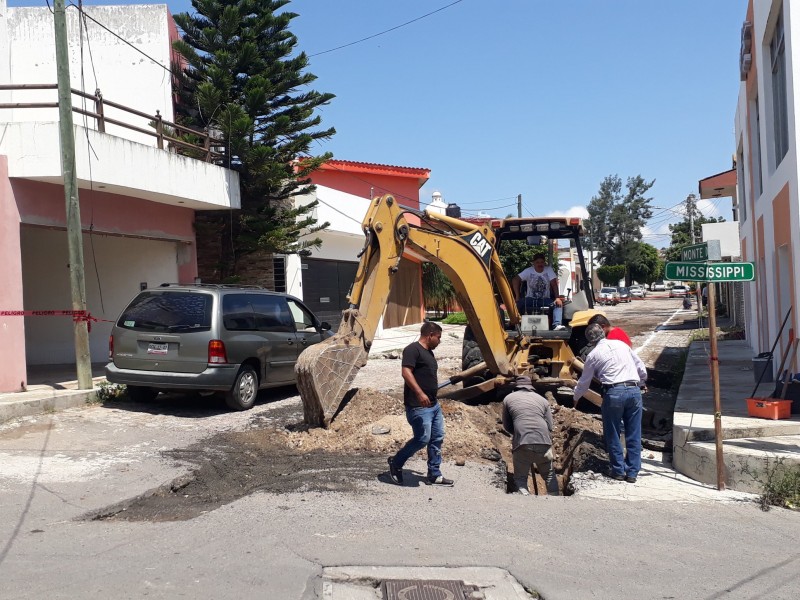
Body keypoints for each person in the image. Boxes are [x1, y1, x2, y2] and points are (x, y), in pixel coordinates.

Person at [573, 323, 648, 483]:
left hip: (613, 393)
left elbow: (584, 382)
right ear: (603, 333)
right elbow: (641, 367)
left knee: (613, 432)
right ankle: (633, 472)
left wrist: (576, 397)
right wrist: (641, 383)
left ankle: (618, 470)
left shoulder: (593, 355)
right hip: (634, 391)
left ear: (590, 341)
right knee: (634, 433)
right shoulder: (621, 345)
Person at [387, 321, 454, 487]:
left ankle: (434, 474)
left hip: (434, 406)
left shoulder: (429, 353)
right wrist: (420, 393)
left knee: (437, 438)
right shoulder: (412, 349)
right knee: (423, 438)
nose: (440, 341)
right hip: (418, 406)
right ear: (430, 335)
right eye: (438, 337)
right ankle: (396, 463)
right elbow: (406, 372)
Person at [502, 376, 560, 496]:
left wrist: (519, 435)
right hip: (544, 441)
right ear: (531, 387)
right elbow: (550, 426)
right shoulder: (543, 400)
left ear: (516, 387)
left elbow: (507, 425)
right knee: (549, 475)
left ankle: (525, 499)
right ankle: (555, 499)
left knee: (521, 478)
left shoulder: (508, 399)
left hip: (522, 442)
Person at [512, 253, 565, 330]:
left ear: (544, 262)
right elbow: (515, 280)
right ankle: (515, 324)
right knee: (516, 305)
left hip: (545, 299)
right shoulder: (528, 271)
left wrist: (557, 298)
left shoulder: (548, 270)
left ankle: (556, 325)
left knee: (558, 304)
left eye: (542, 262)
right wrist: (517, 296)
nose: (540, 264)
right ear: (533, 263)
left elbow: (554, 284)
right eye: (537, 262)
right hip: (530, 298)